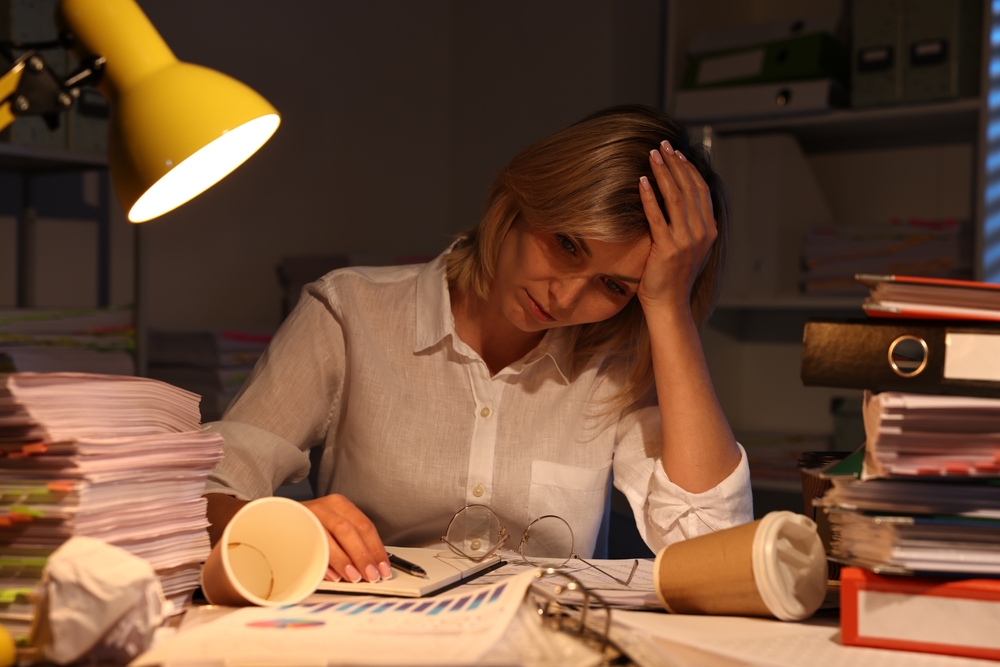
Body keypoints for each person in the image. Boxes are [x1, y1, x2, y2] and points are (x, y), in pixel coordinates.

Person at [203, 104, 753, 585]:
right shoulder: (351, 311)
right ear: (520, 198)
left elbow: (713, 545)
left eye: (613, 286)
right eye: (566, 245)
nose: (564, 296)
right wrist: (283, 526)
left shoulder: (617, 365)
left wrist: (669, 307)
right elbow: (205, 492)